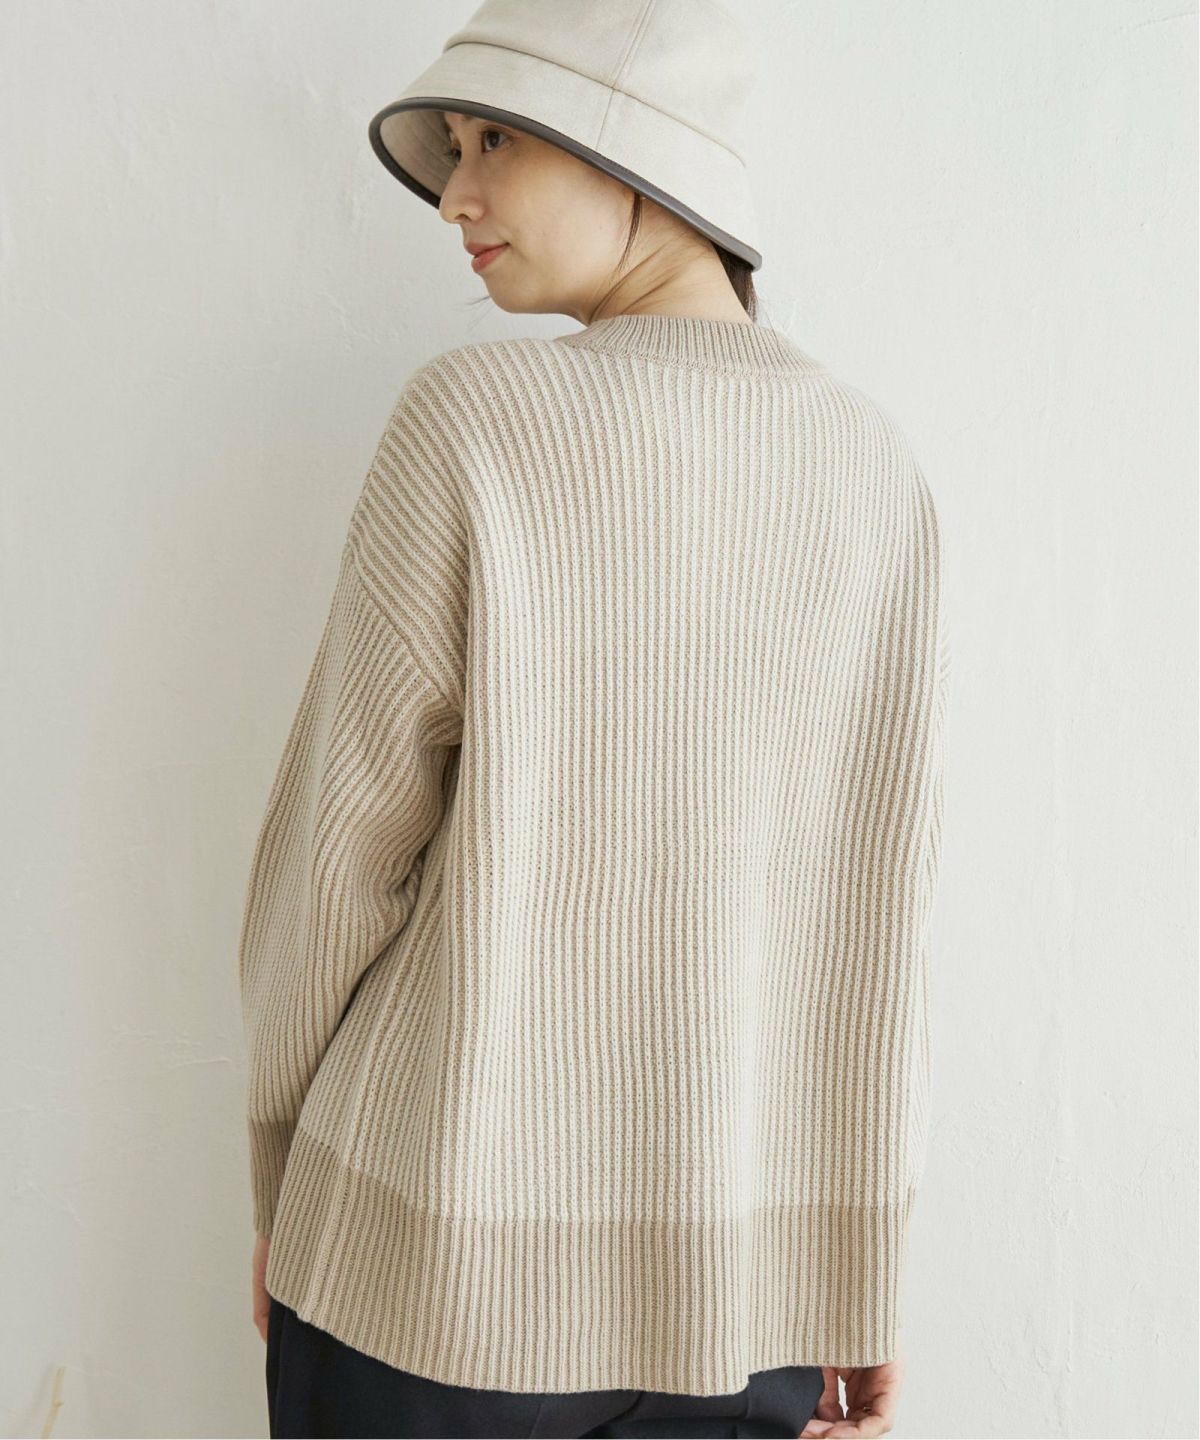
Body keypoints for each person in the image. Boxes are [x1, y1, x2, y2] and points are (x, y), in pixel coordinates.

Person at [237, 2, 949, 1437]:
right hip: (738, 1306)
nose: (457, 195)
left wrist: (280, 1183)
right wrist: (852, 1281)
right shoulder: (875, 466)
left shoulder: (474, 420)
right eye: (454, 149)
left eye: (497, 140)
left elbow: (331, 864)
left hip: (426, 1275)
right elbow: (871, 925)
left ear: (642, 157)